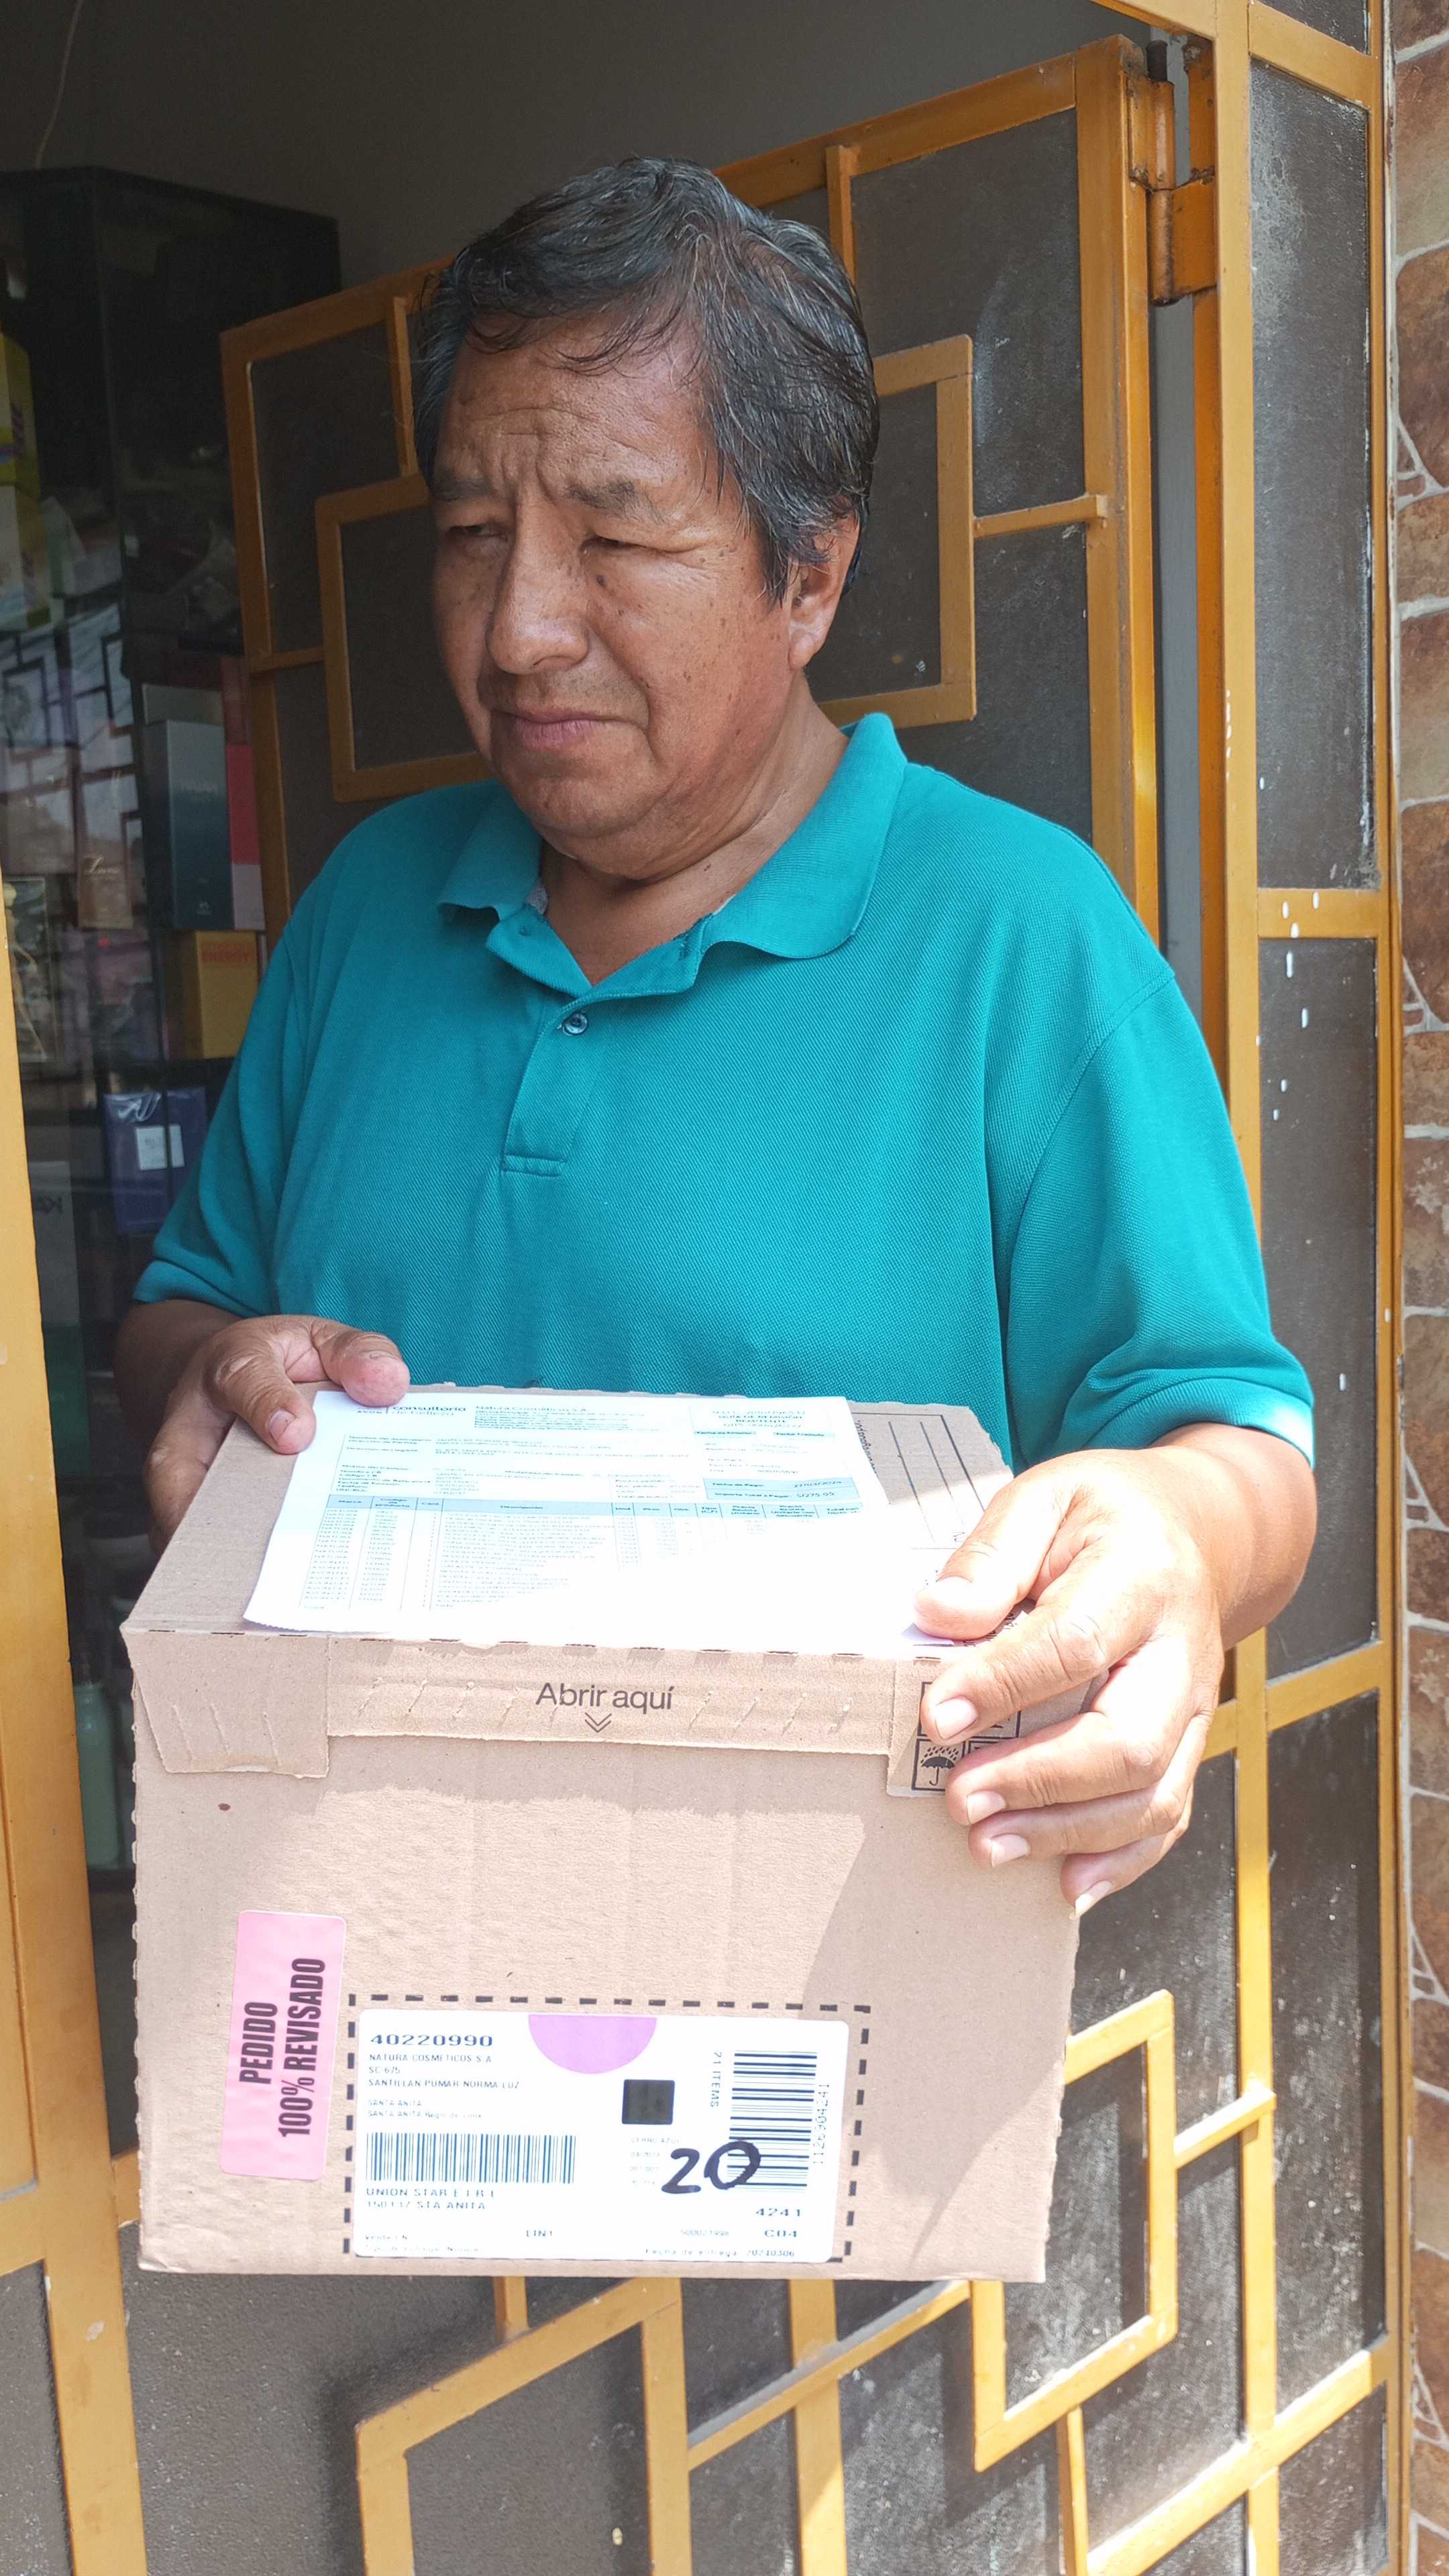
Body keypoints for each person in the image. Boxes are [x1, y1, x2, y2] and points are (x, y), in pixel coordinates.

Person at [115, 158, 1316, 1917]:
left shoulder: (1021, 939)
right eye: (473, 534)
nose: (520, 629)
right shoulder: (368, 906)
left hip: (828, 1980)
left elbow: (1232, 1444)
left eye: (612, 540)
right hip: (371, 1935)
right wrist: (212, 1375)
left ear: (808, 573)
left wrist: (1183, 1543)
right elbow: (183, 1316)